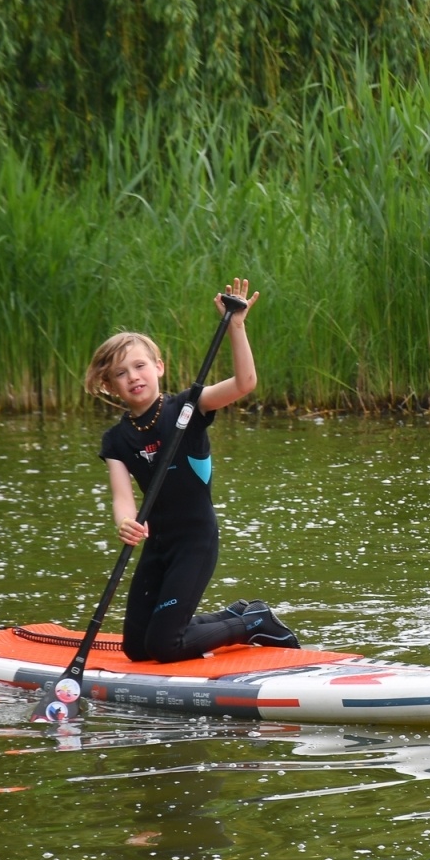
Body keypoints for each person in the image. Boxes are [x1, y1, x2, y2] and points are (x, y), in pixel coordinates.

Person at [83, 278, 300, 663]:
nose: (133, 376)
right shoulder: (116, 439)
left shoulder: (188, 407)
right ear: (108, 385)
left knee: (165, 647)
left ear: (159, 367)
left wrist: (236, 326)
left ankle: (253, 621)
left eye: (140, 366)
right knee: (136, 648)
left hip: (195, 541)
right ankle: (227, 616)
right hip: (158, 546)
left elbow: (245, 383)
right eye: (121, 373)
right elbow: (122, 498)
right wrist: (125, 524)